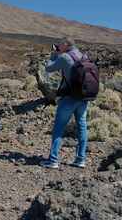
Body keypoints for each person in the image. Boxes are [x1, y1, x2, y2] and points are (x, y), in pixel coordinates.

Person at [40, 37, 90, 169]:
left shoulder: (65, 57)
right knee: (82, 127)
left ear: (67, 45)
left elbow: (48, 68)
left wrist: (54, 55)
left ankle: (53, 160)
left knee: (58, 128)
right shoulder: (84, 56)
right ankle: (81, 159)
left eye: (61, 44)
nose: (58, 45)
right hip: (84, 98)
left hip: (69, 98)